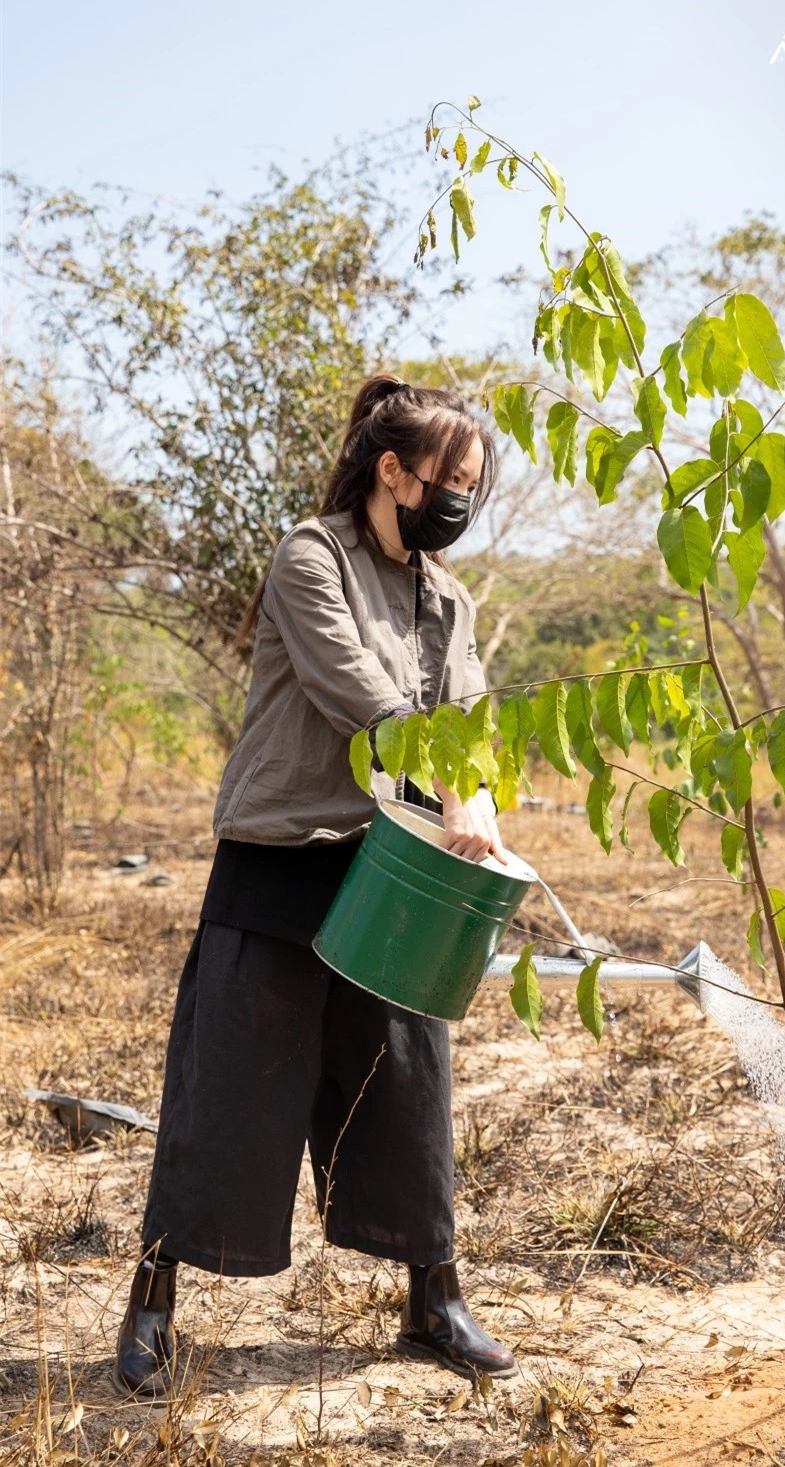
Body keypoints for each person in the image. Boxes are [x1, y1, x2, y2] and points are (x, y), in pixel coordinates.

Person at [113, 375, 517, 1399]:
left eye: (473, 484)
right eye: (453, 479)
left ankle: (435, 1303)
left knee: (409, 1085)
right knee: (227, 1093)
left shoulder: (449, 597)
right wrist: (445, 780)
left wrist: (479, 802)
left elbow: (463, 724)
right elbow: (362, 698)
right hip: (278, 858)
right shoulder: (310, 556)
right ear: (395, 470)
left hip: (394, 862)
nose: (461, 499)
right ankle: (152, 1307)